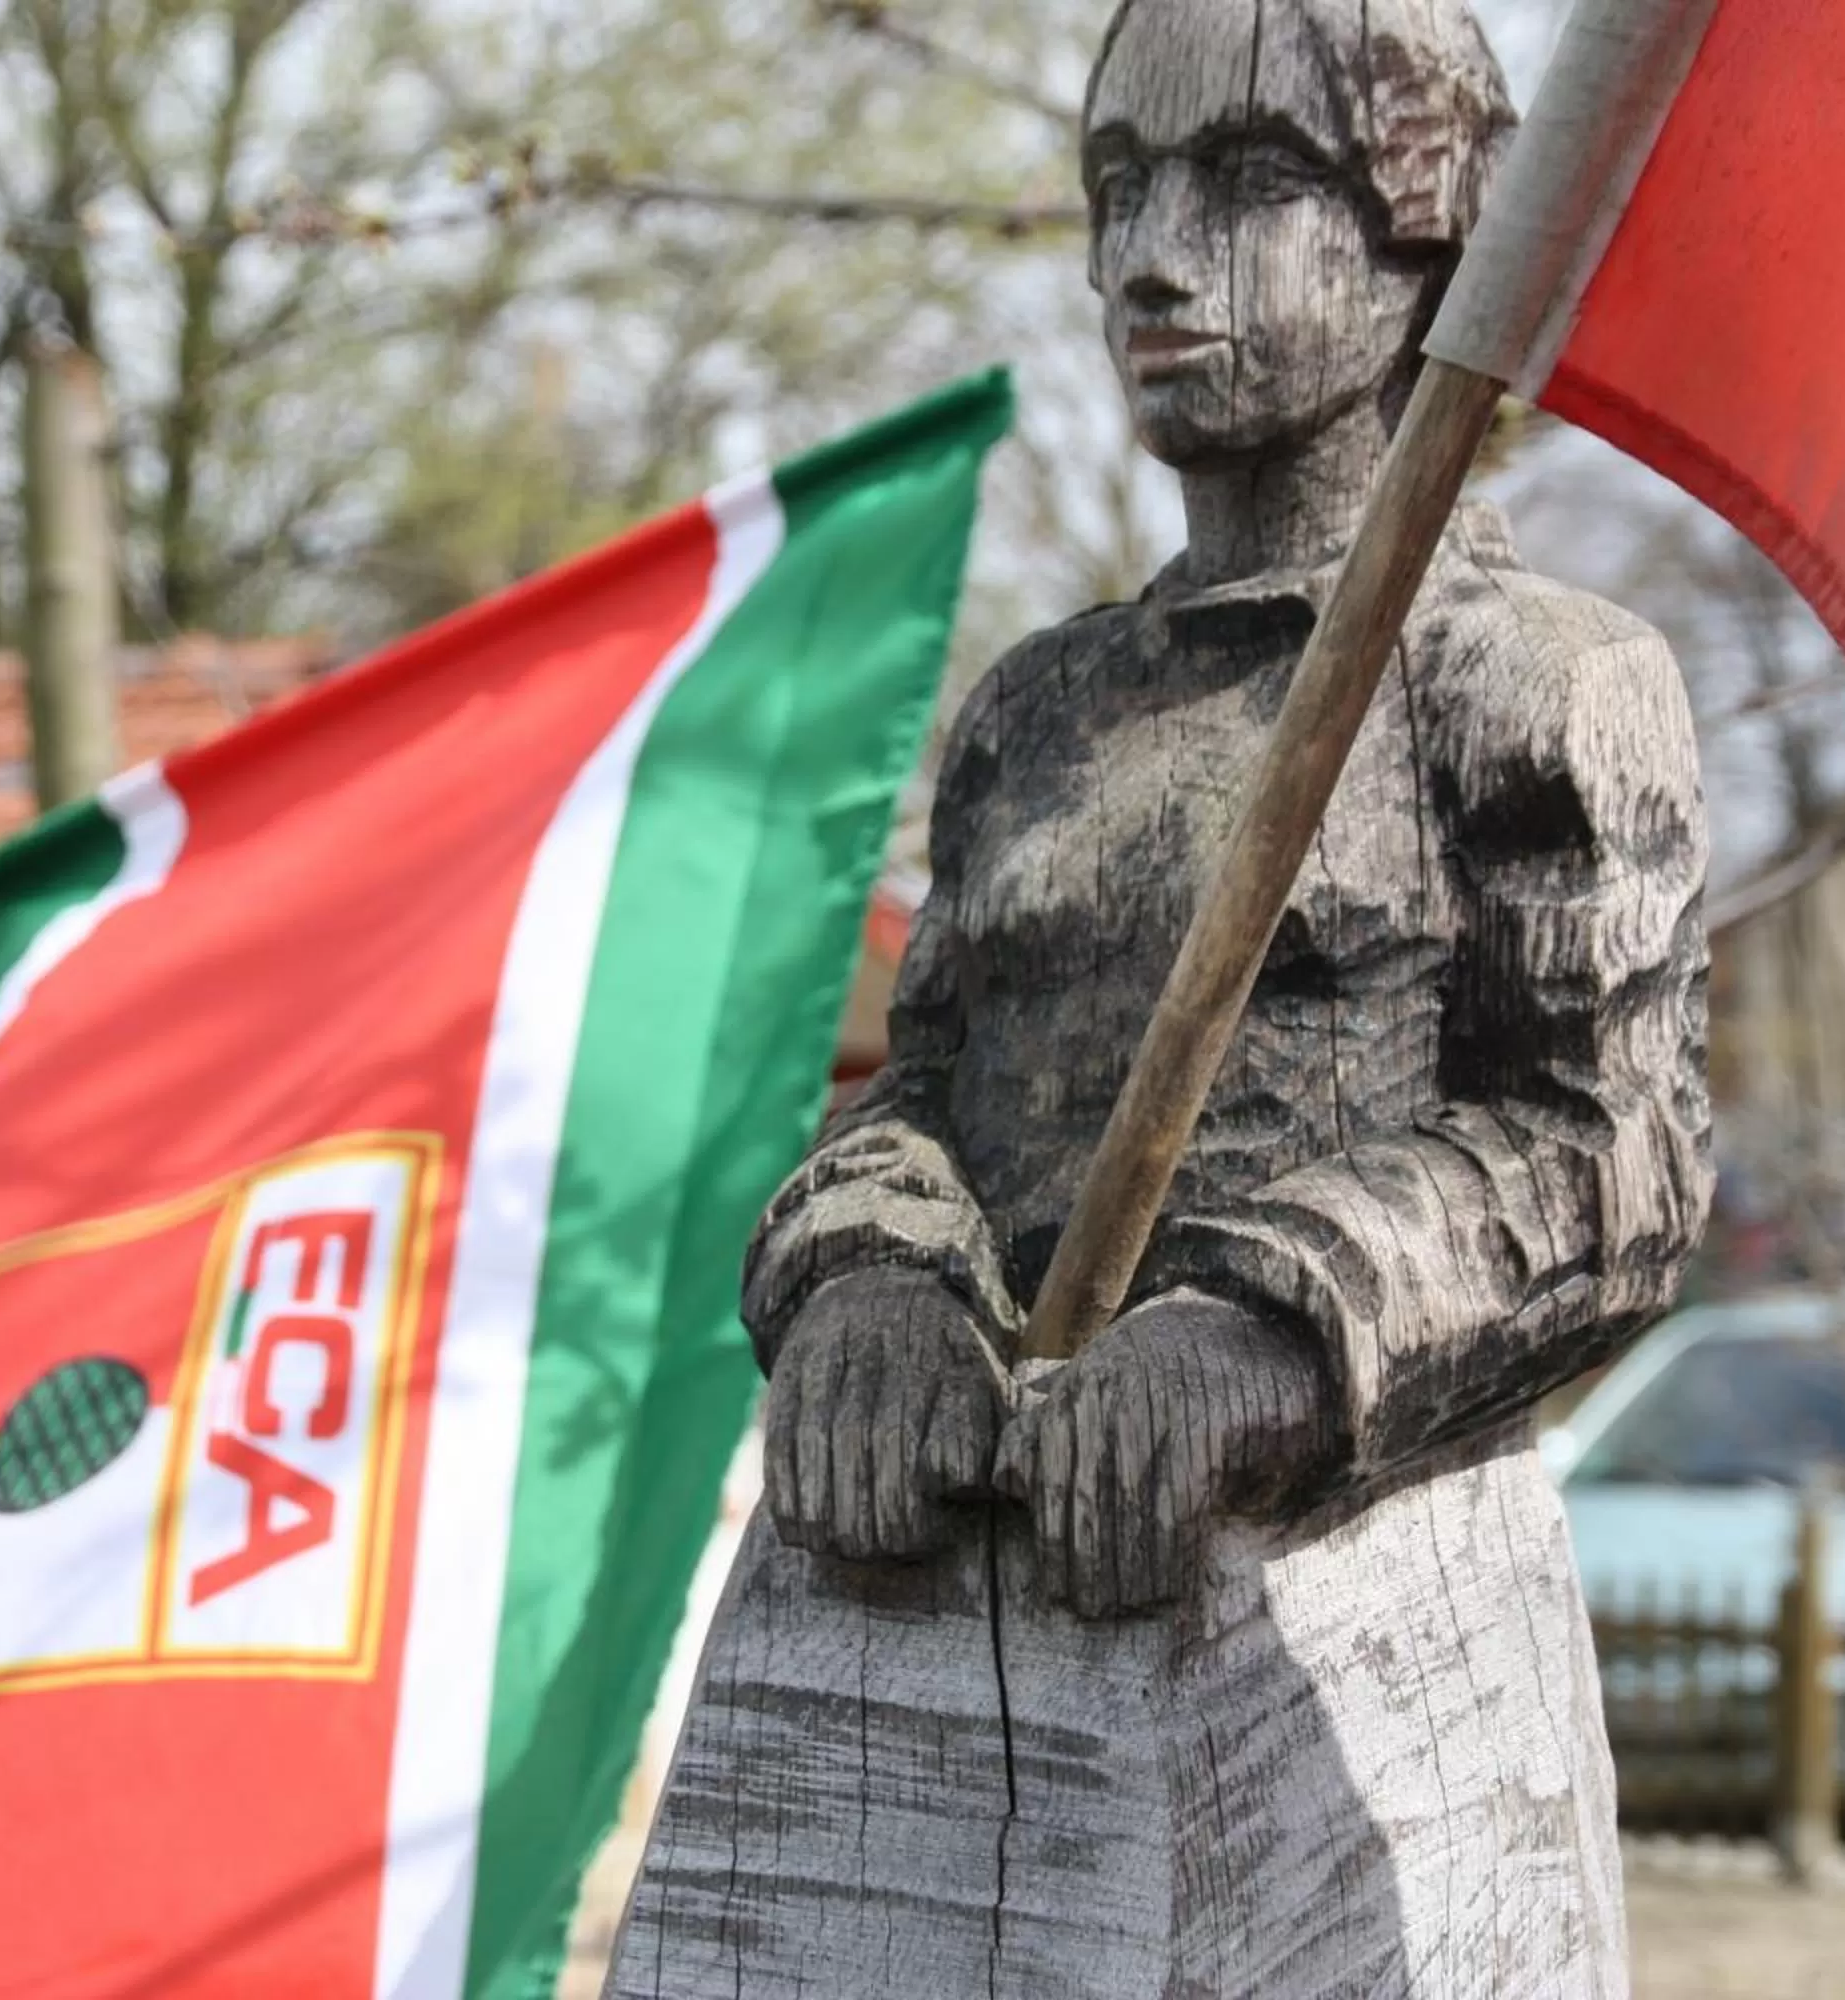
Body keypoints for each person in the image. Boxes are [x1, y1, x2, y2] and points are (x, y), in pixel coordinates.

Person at [615, 2, 1710, 1990]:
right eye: (1120, 181)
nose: (1146, 252)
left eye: (1252, 179)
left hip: (1351, 1637)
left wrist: (1273, 1335)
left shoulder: (1538, 681)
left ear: (1431, 239)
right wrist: (867, 1273)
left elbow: (1612, 1149)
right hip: (934, 1674)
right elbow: (919, 1087)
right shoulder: (1038, 709)